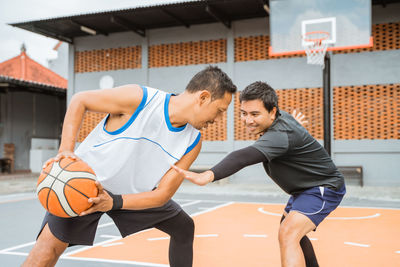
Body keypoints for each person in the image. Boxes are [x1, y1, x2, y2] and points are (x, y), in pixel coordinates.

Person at [22, 66, 237, 267]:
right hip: (84, 184)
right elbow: (81, 100)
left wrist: (113, 202)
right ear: (203, 97)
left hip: (133, 196)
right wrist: (65, 150)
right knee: (47, 250)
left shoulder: (193, 141)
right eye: (219, 110)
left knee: (183, 227)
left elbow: (162, 194)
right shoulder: (141, 99)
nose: (218, 119)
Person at [171, 81, 346, 267]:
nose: (248, 120)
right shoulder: (280, 121)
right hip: (304, 190)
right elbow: (290, 131)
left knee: (288, 233)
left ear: (272, 112)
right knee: (292, 233)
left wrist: (208, 175)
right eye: (243, 113)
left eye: (255, 114)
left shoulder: (280, 135)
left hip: (323, 188)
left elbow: (243, 157)